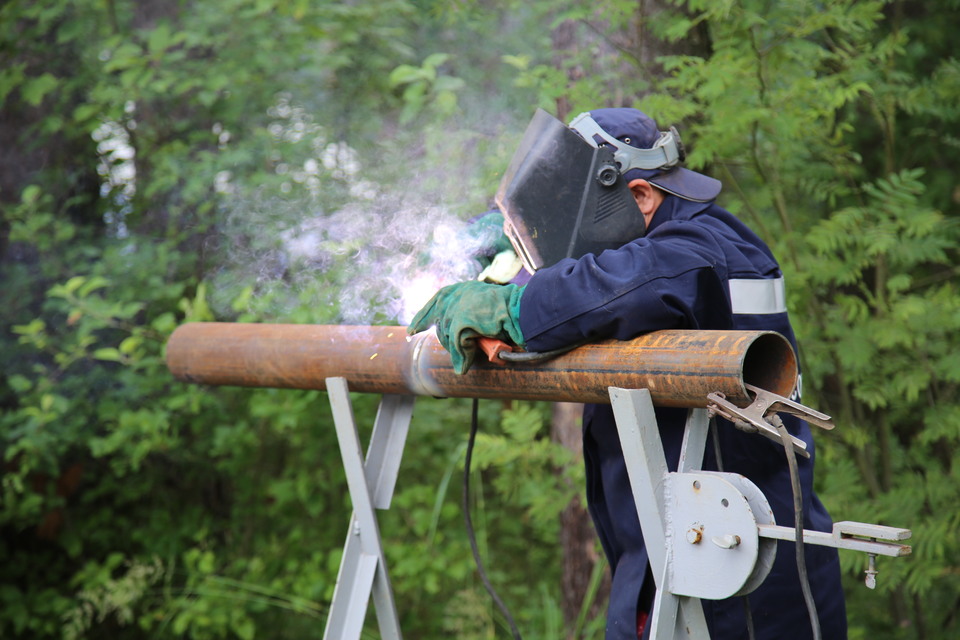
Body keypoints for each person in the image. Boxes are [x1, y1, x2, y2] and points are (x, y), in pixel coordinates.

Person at [408, 108, 847, 639]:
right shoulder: (649, 245)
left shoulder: (706, 248)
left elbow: (622, 284)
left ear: (639, 196)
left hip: (746, 574)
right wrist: (513, 235)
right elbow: (591, 275)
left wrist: (514, 309)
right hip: (670, 554)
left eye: (570, 206)